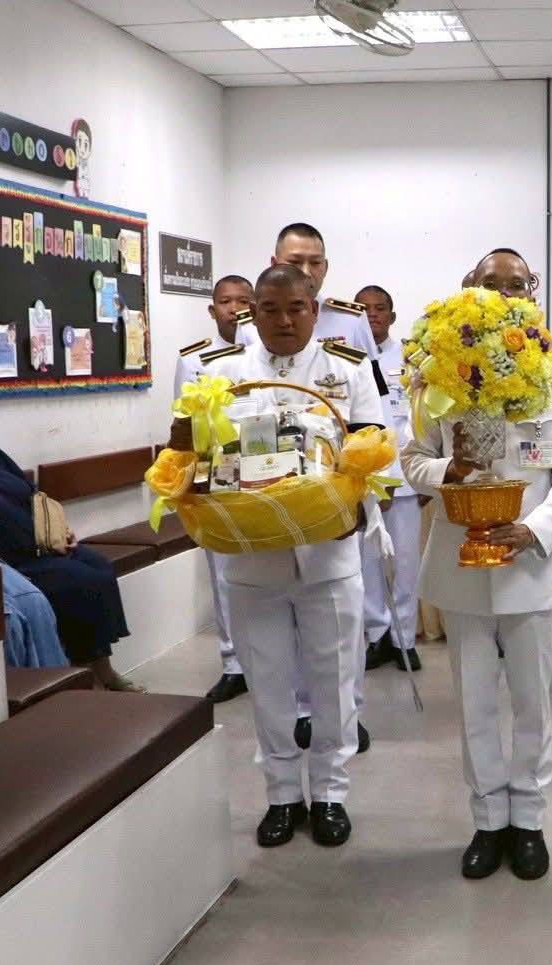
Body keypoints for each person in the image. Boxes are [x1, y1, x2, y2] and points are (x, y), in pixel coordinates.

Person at [401, 249, 552, 882]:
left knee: (532, 702)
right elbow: (412, 460)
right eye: (491, 284)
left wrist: (535, 529)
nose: (505, 295)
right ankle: (487, 820)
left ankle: (528, 819)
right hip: (460, 563)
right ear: (468, 289)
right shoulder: (436, 378)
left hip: (527, 562)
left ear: (532, 292)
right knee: (475, 701)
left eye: (517, 285)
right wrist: (448, 470)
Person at [198, 264, 386, 849]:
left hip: (328, 554)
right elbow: (195, 455)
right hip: (252, 558)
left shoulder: (348, 369)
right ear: (251, 313)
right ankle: (281, 794)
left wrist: (356, 502)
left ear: (314, 310)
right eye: (270, 309)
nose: (283, 321)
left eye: (296, 308)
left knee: (334, 680)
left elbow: (375, 451)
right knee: (269, 682)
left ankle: (329, 792)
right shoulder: (220, 374)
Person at [266, 222, 378, 752]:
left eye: (315, 263)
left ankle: (343, 721)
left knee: (337, 640)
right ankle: (295, 730)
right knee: (275, 651)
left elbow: (371, 433)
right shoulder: (246, 341)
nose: (306, 272)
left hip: (331, 527)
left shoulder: (350, 332)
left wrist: (362, 502)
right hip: (262, 527)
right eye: (296, 262)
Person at [0, 445, 143, 690]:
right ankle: (84, 674)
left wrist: (61, 529)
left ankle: (103, 666)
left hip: (46, 545)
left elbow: (34, 495)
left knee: (100, 567)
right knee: (79, 582)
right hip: (15, 560)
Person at [174, 274, 254, 704]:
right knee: (223, 576)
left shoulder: (266, 352)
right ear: (212, 310)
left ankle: (271, 662)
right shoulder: (194, 358)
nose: (235, 308)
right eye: (226, 301)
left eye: (243, 300)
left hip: (266, 475)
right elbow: (183, 426)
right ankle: (233, 664)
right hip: (218, 476)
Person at [355, 284, 423, 673]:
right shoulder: (347, 360)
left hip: (405, 476)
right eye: (363, 309)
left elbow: (421, 419)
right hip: (364, 478)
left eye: (379, 309)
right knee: (368, 562)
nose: (372, 315)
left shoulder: (412, 358)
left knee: (406, 563)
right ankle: (377, 634)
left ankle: (404, 639)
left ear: (392, 316)